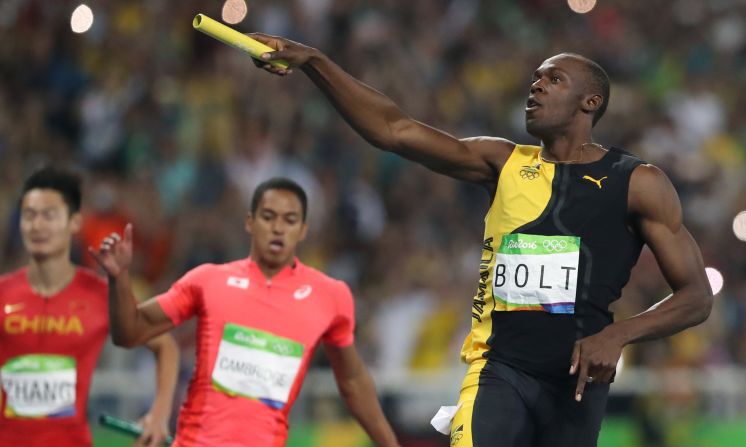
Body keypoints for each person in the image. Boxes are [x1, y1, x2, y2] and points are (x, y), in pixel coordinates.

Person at [247, 36, 714, 447]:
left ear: (590, 102)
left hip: (577, 387)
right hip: (498, 372)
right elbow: (394, 129)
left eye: (553, 80)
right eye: (534, 79)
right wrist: (315, 63)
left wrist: (618, 335)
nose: (535, 87)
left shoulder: (636, 182)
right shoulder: (503, 161)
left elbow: (696, 295)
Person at [90, 177, 400, 447]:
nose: (278, 228)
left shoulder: (330, 296)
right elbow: (129, 332)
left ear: (303, 230)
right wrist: (120, 279)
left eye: (290, 220)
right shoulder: (208, 280)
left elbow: (353, 381)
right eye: (268, 217)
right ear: (249, 222)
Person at [0, 166, 179, 447]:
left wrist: (158, 415)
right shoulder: (3, 293)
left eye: (49, 215)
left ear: (74, 222)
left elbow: (165, 345)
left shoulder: (98, 294)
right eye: (29, 215)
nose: (37, 226)